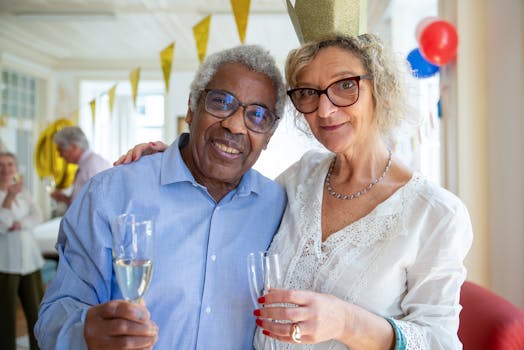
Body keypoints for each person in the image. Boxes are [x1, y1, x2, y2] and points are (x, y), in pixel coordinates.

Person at [118, 33, 473, 350]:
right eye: (309, 93)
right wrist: (179, 156)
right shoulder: (303, 175)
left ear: (381, 88)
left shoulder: (436, 214)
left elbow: (440, 341)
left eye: (345, 85)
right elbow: (235, 193)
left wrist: (347, 322)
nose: (324, 109)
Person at [35, 44, 287, 350]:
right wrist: (84, 332)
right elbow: (52, 318)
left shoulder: (279, 206)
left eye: (257, 115)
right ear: (192, 109)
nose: (234, 125)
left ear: (269, 136)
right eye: (220, 102)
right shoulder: (110, 194)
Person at [0, 152, 44, 350]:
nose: (6, 169)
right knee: (5, 313)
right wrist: (9, 197)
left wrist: (20, 223)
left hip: (30, 260)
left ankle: (39, 346)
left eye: (10, 164)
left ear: (16, 168)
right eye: (1, 165)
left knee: (37, 309)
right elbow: (2, 224)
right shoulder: (8, 194)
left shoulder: (24, 192)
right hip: (6, 263)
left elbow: (38, 216)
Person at [50, 126, 111, 207]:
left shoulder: (92, 165)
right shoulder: (87, 163)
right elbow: (82, 203)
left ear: (74, 147)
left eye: (61, 150)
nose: (60, 155)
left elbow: (101, 204)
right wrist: (65, 199)